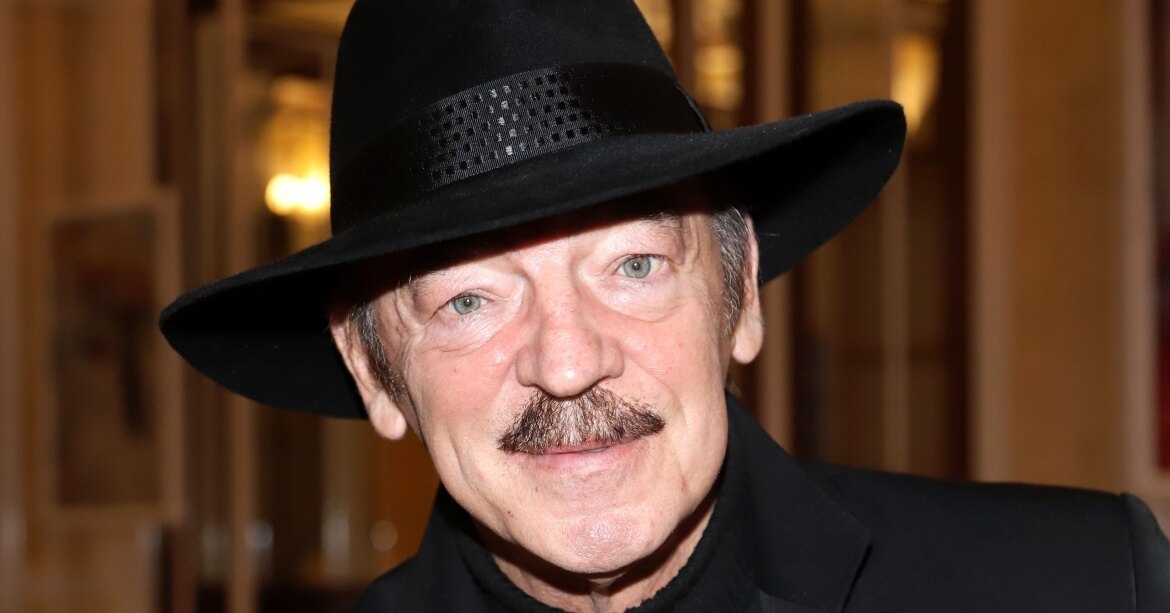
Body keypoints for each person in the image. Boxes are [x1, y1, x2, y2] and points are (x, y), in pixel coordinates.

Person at [161, 1, 1170, 611]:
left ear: (739, 294)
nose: (567, 363)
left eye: (633, 265)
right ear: (374, 370)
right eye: (469, 299)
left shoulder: (1085, 586)